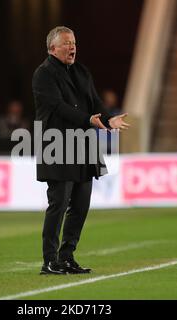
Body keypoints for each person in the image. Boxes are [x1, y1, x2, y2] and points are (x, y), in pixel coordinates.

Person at [32, 26, 129, 275]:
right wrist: (89, 120)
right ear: (52, 48)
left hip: (83, 146)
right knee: (58, 203)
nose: (72, 47)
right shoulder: (43, 75)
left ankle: (66, 256)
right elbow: (59, 108)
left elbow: (95, 102)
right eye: (66, 43)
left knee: (80, 206)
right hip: (58, 147)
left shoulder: (81, 71)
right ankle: (49, 260)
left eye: (74, 42)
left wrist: (108, 120)